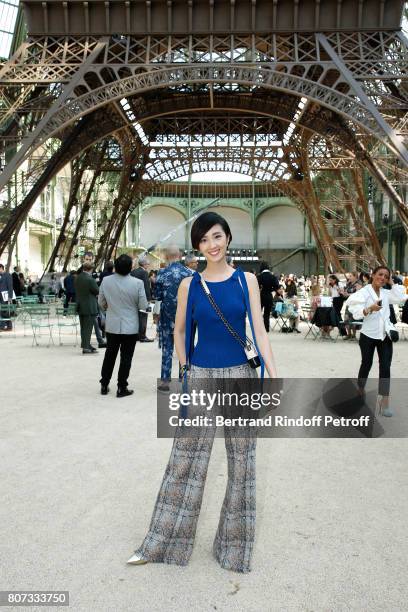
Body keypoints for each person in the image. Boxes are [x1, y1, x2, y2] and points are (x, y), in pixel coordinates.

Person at [128, 212, 277, 573]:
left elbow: (258, 330)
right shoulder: (188, 286)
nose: (212, 245)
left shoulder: (247, 282)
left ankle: (234, 548)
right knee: (185, 461)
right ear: (198, 246)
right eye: (204, 240)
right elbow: (179, 332)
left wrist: (273, 375)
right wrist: (186, 368)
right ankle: (161, 543)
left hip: (241, 376)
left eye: (217, 236)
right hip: (201, 376)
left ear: (227, 237)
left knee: (243, 464)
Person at [347, 266, 407, 417]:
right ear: (372, 275)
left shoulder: (387, 293)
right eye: (380, 274)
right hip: (368, 335)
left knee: (385, 367)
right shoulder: (363, 292)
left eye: (386, 277)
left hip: (385, 335)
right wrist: (370, 309)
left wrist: (392, 282)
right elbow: (355, 312)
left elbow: (401, 298)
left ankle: (384, 402)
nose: (383, 278)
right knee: (366, 364)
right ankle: (359, 393)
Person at [98, 254, 148, 397]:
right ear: (131, 267)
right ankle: (121, 387)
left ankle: (104, 383)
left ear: (116, 266)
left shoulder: (106, 281)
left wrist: (110, 308)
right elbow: (143, 305)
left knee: (109, 355)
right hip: (130, 326)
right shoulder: (137, 283)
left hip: (112, 324)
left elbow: (101, 302)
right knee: (126, 357)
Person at [155, 246, 193, 391]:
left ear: (166, 256)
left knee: (167, 349)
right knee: (184, 348)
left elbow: (158, 298)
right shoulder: (189, 273)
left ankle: (165, 381)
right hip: (185, 317)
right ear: (180, 255)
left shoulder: (162, 273)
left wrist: (156, 317)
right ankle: (183, 379)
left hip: (166, 317)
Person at [78, 251, 106, 348]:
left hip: (93, 301)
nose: (88, 261)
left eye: (90, 259)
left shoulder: (94, 273)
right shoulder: (79, 273)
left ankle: (93, 341)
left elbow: (97, 287)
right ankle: (96, 341)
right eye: (87, 259)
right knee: (90, 321)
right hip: (86, 301)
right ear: (83, 259)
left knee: (93, 320)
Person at [74, 261, 100, 354]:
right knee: (88, 327)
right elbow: (97, 291)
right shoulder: (90, 279)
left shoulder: (78, 278)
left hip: (80, 305)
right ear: (91, 269)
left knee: (83, 327)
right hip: (90, 306)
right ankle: (86, 347)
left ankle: (86, 344)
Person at [131, 255, 153, 342]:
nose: (148, 265)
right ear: (143, 264)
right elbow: (146, 286)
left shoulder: (133, 272)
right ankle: (142, 336)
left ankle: (136, 335)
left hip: (133, 297)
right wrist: (149, 298)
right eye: (148, 264)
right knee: (143, 316)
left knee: (136, 317)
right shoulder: (144, 273)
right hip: (142, 298)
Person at [258, 261, 279, 332]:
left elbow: (256, 287)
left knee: (258, 313)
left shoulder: (259, 276)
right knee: (267, 314)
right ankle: (266, 329)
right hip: (269, 296)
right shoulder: (273, 277)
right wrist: (271, 289)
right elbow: (277, 287)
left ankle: (258, 328)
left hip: (261, 296)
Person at [343, 272, 363, 340]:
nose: (349, 277)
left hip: (355, 304)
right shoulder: (348, 283)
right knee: (347, 318)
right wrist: (343, 293)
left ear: (355, 276)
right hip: (349, 303)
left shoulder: (359, 283)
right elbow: (346, 291)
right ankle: (349, 334)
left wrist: (348, 294)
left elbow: (358, 294)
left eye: (350, 276)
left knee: (353, 318)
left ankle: (354, 335)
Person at [0, 263, 13, 331]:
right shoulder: (0, 276)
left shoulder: (7, 275)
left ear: (1, 268)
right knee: (1, 311)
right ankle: (4, 326)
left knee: (4, 311)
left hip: (5, 296)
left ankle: (7, 325)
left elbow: (10, 286)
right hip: (0, 296)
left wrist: (10, 297)